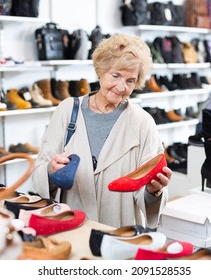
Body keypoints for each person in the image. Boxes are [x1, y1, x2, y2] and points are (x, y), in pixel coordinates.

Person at [32, 34, 172, 229]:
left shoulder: (143, 123)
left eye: (130, 81)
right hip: (72, 228)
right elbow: (40, 172)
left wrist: (153, 191)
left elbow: (148, 199)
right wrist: (51, 170)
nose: (122, 87)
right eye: (116, 76)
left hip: (119, 233)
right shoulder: (67, 111)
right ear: (101, 71)